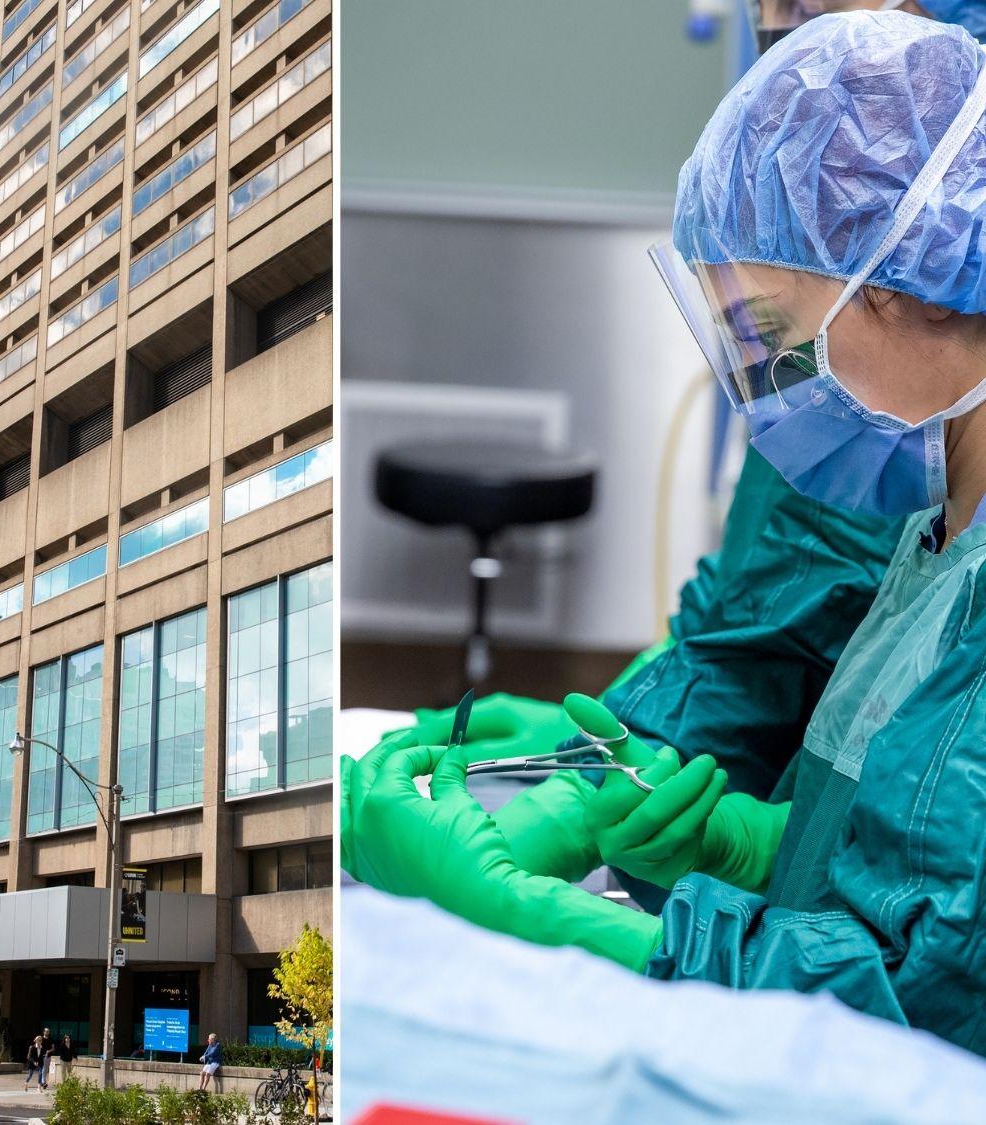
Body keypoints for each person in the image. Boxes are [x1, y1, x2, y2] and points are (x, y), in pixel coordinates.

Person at [346, 11, 986, 1057]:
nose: (764, 390)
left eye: (770, 338)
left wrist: (532, 914)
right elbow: (915, 857)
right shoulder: (934, 543)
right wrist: (748, 845)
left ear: (904, 279)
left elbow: (918, 1002)